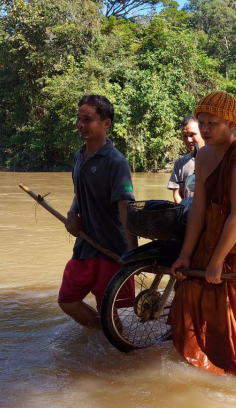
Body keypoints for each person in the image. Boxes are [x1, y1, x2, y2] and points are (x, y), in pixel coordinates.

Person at [169, 90, 236, 379]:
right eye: (202, 123)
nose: (205, 129)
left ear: (231, 124)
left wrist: (217, 261)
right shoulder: (203, 154)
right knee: (194, 295)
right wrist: (186, 254)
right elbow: (199, 208)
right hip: (214, 234)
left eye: (213, 123)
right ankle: (209, 364)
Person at [60, 94, 139, 329]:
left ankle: (111, 341)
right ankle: (101, 336)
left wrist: (133, 253)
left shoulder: (116, 162)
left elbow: (125, 207)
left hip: (110, 246)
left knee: (107, 308)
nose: (80, 124)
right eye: (79, 119)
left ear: (106, 123)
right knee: (67, 301)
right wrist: (72, 213)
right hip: (86, 244)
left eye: (87, 119)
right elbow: (80, 192)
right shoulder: (79, 156)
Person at [167, 115, 205, 203]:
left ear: (203, 133)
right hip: (185, 209)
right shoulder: (179, 163)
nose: (188, 140)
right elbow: (176, 194)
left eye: (192, 135)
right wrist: (183, 208)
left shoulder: (215, 159)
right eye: (184, 136)